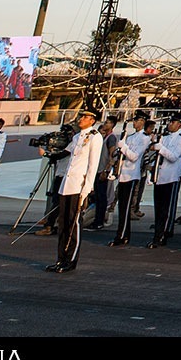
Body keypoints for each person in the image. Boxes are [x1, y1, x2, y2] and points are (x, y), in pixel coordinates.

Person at [47, 109, 102, 274]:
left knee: (74, 224)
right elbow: (66, 154)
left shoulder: (95, 137)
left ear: (92, 120)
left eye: (85, 117)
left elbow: (93, 165)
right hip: (67, 184)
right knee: (63, 223)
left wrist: (87, 188)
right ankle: (60, 258)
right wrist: (48, 153)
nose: (81, 119)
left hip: (79, 185)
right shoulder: (77, 137)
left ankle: (70, 260)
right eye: (81, 116)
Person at [147, 115, 181, 249]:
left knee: (167, 207)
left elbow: (174, 156)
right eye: (170, 122)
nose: (170, 124)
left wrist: (160, 148)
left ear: (180, 124)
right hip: (160, 175)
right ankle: (159, 230)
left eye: (174, 122)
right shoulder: (165, 136)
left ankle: (163, 233)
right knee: (159, 206)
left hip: (171, 175)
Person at [108, 114, 151, 246]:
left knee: (126, 208)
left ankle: (122, 236)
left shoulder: (145, 138)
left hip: (132, 175)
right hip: (123, 174)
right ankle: (122, 234)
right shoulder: (131, 137)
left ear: (142, 121)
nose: (134, 123)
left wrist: (124, 147)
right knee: (121, 207)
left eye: (136, 120)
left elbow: (134, 156)